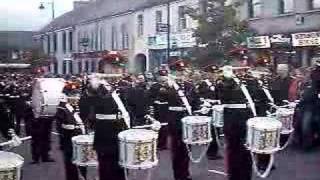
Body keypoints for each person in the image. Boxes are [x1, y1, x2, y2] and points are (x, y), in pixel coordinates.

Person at [80, 76, 127, 180]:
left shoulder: (116, 94)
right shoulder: (95, 94)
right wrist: (94, 84)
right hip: (104, 133)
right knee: (105, 165)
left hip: (117, 132)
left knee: (118, 164)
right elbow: (93, 99)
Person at [215, 66, 253, 180]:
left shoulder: (249, 79)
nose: (241, 64)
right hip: (232, 120)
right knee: (233, 151)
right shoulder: (222, 81)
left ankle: (246, 176)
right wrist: (228, 77)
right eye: (239, 60)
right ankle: (234, 176)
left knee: (247, 150)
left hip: (247, 118)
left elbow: (257, 95)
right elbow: (221, 95)